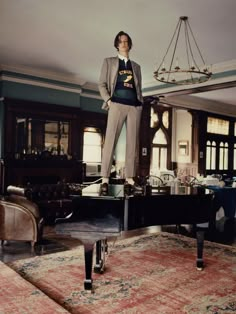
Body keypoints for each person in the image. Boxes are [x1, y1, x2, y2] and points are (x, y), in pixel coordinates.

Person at [98, 31, 143, 195]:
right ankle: (105, 179)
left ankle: (130, 177)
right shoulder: (109, 62)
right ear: (117, 45)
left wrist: (140, 104)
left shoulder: (136, 67)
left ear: (129, 44)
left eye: (126, 41)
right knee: (110, 140)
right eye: (121, 42)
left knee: (132, 143)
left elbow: (139, 88)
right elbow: (102, 84)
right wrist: (109, 101)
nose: (124, 44)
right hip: (116, 104)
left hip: (134, 106)